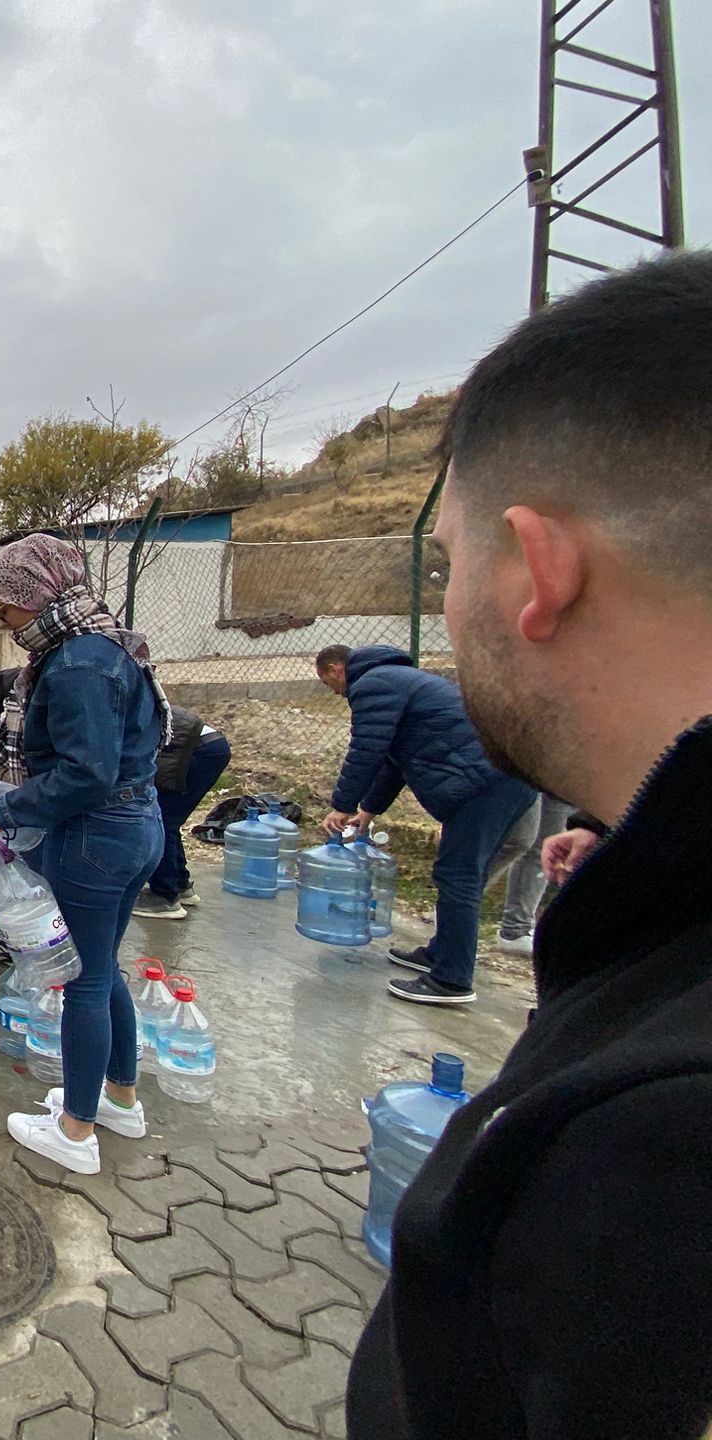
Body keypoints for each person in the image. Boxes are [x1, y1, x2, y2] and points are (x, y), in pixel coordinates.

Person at [347, 250, 712, 1437]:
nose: (444, 606)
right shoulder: (664, 926)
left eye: (447, 562)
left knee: (455, 883)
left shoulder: (644, 1138)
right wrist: (627, 843)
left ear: (536, 568)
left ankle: (450, 969)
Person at [0, 535, 166, 1177]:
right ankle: (119, 1098)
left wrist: (4, 810)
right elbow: (74, 738)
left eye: (7, 608)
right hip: (134, 823)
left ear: (39, 596)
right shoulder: (106, 646)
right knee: (105, 968)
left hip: (96, 834)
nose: (2, 622)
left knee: (82, 980)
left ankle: (74, 1132)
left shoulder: (74, 663)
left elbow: (85, 770)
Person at [315, 643, 536, 1006]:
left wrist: (341, 805)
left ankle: (452, 980)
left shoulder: (372, 684)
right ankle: (442, 953)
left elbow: (366, 749)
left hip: (482, 784)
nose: (336, 692)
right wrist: (368, 809)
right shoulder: (400, 679)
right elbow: (391, 759)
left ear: (337, 668)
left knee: (458, 876)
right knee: (469, 874)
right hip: (503, 778)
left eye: (329, 683)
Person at [132, 706, 233, 921]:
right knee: (167, 819)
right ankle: (179, 884)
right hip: (207, 745)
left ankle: (165, 896)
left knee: (159, 820)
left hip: (196, 750)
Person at [492, 793, 569, 955]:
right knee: (518, 840)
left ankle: (515, 929)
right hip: (533, 774)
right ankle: (454, 899)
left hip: (571, 782)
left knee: (546, 848)